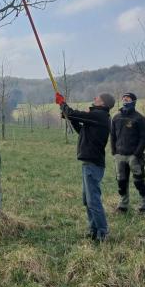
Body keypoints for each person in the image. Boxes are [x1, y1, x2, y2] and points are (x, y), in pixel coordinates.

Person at [56, 91, 115, 242]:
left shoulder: (100, 116)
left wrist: (63, 104)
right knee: (87, 200)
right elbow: (81, 130)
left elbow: (76, 114)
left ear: (103, 103)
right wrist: (66, 112)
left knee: (93, 201)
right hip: (89, 164)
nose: (94, 98)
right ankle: (93, 231)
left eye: (97, 97)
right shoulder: (97, 117)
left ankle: (103, 233)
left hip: (93, 165)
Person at [111, 92, 145, 212]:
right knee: (121, 182)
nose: (125, 100)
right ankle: (123, 205)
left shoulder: (140, 119)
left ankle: (144, 205)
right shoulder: (116, 118)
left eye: (127, 99)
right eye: (123, 98)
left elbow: (144, 138)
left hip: (134, 156)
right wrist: (114, 152)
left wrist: (136, 154)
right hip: (119, 156)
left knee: (139, 182)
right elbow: (112, 135)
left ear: (133, 101)